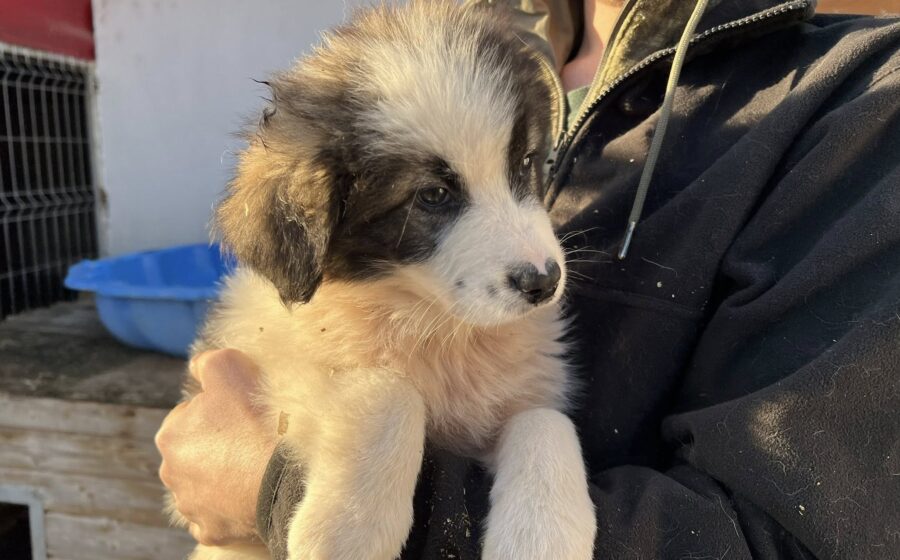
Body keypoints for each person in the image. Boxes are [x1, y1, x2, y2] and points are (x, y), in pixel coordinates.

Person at [155, 0, 900, 558]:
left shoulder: (860, 97)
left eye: (523, 167)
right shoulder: (515, 40)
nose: (540, 261)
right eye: (432, 197)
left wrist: (275, 486)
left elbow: (799, 531)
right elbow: (243, 403)